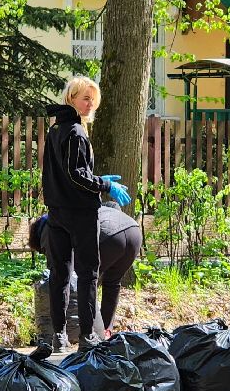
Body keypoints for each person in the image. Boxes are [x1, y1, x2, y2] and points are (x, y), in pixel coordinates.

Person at [36, 76, 131, 359]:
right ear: (71, 99)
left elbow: (63, 174)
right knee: (89, 273)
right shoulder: (76, 132)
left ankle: (59, 335)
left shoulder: (56, 130)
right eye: (85, 99)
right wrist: (105, 185)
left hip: (57, 213)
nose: (90, 104)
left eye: (93, 100)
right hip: (81, 214)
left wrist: (96, 178)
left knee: (60, 274)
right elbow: (76, 175)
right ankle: (88, 336)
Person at [30, 203, 144, 336]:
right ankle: (105, 330)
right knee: (112, 282)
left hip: (108, 236)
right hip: (134, 233)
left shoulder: (48, 228)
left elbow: (58, 273)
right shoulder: (66, 212)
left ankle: (88, 334)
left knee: (86, 281)